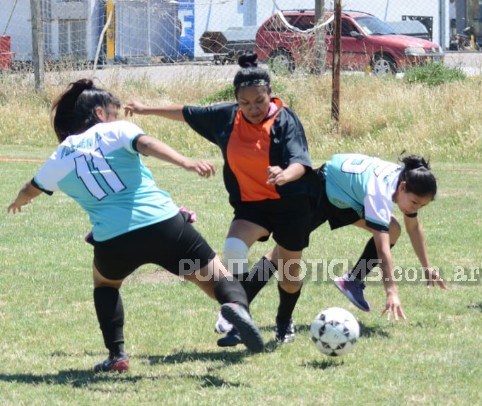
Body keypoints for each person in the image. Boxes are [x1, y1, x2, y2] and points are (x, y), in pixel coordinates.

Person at [6, 79, 266, 373]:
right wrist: (185, 162)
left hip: (114, 242)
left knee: (105, 284)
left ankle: (117, 355)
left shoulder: (62, 153)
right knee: (218, 277)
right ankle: (234, 308)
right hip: (165, 227)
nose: (116, 117)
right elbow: (147, 144)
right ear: (100, 113)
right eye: (113, 111)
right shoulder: (118, 130)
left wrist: (18, 201)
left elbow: (32, 187)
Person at [125, 52, 315, 344]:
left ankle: (283, 320)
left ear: (270, 94)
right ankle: (240, 317)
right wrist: (144, 109)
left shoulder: (285, 121)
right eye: (245, 103)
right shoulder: (227, 117)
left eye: (259, 101)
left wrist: (285, 175)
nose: (253, 108)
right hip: (252, 206)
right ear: (237, 100)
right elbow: (187, 112)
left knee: (289, 274)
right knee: (234, 248)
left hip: (291, 204)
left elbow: (300, 162)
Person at [215, 153, 447, 347]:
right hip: (321, 190)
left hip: (346, 195)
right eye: (415, 203)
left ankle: (352, 281)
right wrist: (391, 291)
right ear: (403, 187)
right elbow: (382, 247)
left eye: (422, 205)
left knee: (394, 228)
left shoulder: (404, 181)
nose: (415, 209)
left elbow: (413, 227)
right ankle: (235, 308)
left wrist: (427, 267)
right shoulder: (381, 192)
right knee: (282, 255)